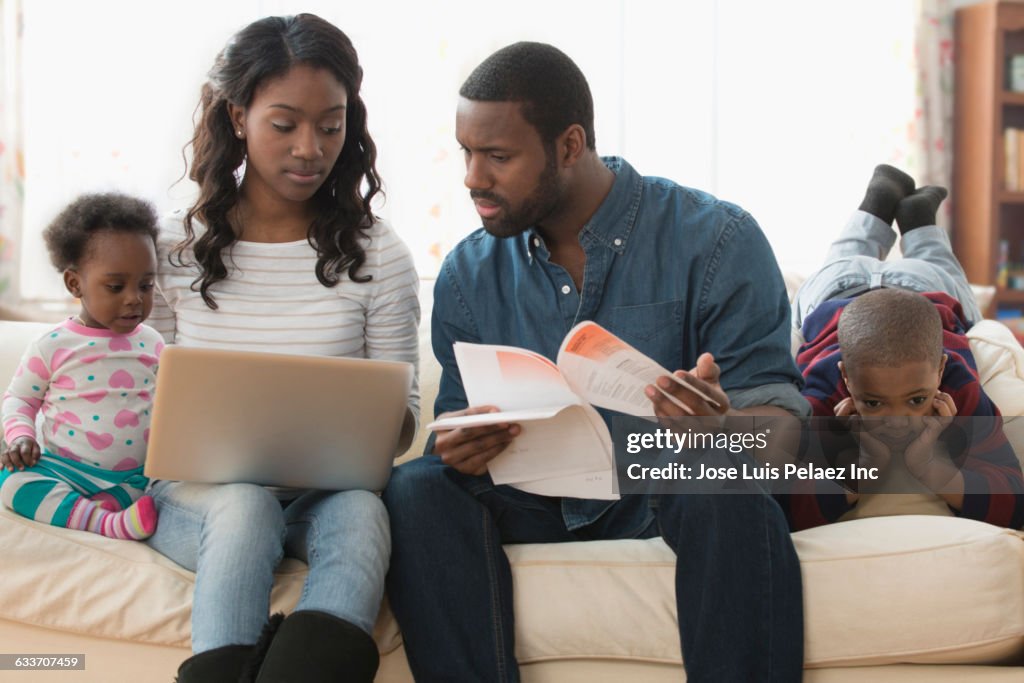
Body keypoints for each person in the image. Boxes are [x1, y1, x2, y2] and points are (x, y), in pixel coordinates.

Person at [384, 42, 806, 682]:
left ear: (570, 144)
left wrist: (725, 434)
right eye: (467, 152)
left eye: (498, 156)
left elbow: (783, 425)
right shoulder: (468, 274)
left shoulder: (716, 239)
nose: (473, 177)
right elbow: (453, 428)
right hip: (532, 501)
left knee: (724, 484)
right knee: (416, 488)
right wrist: (461, 444)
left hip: (666, 501)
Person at [144, 15, 419, 682]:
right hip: (197, 499)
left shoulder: (378, 253)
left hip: (325, 494)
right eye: (286, 123)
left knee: (360, 511)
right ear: (239, 117)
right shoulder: (171, 245)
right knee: (244, 503)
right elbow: (136, 391)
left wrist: (371, 421)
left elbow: (403, 419)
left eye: (331, 124)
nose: (310, 148)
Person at [790, 165, 1024, 530]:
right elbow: (779, 509)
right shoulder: (820, 395)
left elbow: (1016, 504)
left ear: (942, 369)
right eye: (873, 401)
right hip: (888, 288)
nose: (896, 422)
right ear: (846, 379)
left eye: (916, 400)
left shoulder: (959, 385)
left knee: (851, 258)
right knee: (933, 265)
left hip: (845, 288)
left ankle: (883, 207)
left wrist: (935, 468)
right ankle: (915, 219)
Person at [1, 193, 162, 541]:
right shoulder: (52, 346)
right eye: (116, 286)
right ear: (75, 283)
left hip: (134, 480)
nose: (134, 297)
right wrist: (22, 437)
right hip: (67, 472)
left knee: (167, 490)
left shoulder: (154, 343)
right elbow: (19, 400)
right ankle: (106, 523)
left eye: (146, 285)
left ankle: (97, 511)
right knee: (10, 482)